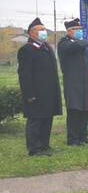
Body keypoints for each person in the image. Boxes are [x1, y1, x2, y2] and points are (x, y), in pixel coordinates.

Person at [17, 18, 62, 156]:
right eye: (40, 29)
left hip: (48, 92)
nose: (44, 32)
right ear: (31, 33)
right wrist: (29, 94)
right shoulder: (27, 50)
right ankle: (34, 149)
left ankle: (44, 145)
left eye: (44, 29)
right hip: (35, 93)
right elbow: (24, 74)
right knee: (36, 120)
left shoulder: (47, 48)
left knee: (47, 119)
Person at [57, 18, 88, 145]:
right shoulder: (64, 43)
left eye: (80, 29)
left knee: (85, 110)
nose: (79, 32)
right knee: (75, 110)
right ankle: (72, 138)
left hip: (85, 82)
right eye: (76, 29)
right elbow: (75, 47)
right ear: (68, 31)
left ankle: (83, 136)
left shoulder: (81, 43)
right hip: (73, 83)